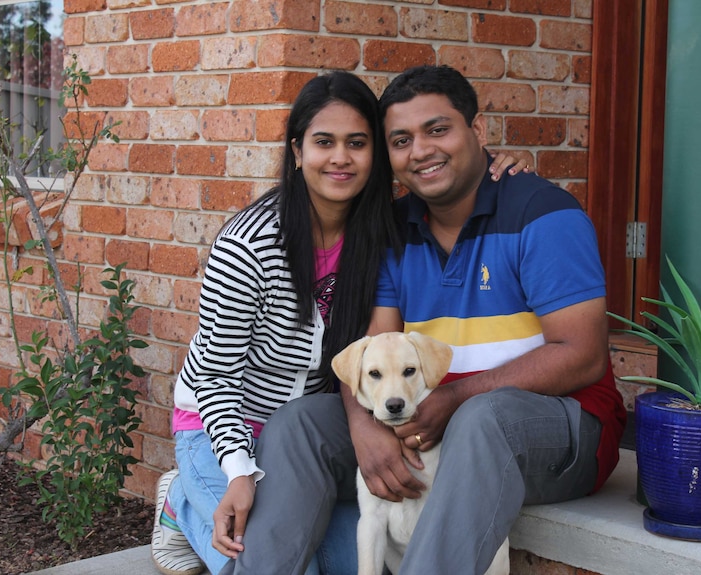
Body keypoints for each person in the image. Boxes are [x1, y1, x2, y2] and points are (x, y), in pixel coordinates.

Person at [216, 64, 627, 575]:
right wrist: (362, 424)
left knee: (483, 418)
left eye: (438, 130)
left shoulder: (542, 215)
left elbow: (583, 356)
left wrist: (455, 397)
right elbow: (373, 345)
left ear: (476, 132)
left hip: (560, 430)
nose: (421, 151)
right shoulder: (395, 229)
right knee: (300, 424)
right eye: (401, 139)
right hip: (426, 424)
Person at [151, 70, 527, 575]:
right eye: (323, 142)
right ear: (297, 150)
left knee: (363, 561)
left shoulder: (385, 229)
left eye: (358, 143)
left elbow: (456, 179)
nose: (341, 158)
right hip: (223, 429)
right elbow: (216, 377)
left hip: (305, 438)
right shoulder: (249, 248)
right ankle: (181, 501)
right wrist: (238, 472)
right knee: (282, 564)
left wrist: (503, 167)